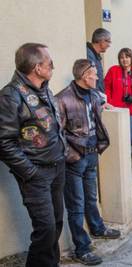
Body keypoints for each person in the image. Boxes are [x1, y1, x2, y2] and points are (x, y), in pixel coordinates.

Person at [0, 43, 66, 266]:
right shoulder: (10, 96)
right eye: (50, 63)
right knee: (45, 230)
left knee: (56, 224)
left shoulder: (43, 88)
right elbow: (4, 142)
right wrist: (31, 173)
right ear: (38, 67)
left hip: (57, 167)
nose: (53, 67)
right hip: (36, 174)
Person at [57, 59, 120, 265]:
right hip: (74, 160)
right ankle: (82, 248)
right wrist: (71, 156)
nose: (97, 77)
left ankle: (98, 228)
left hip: (92, 155)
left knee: (92, 198)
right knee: (76, 205)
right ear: (85, 76)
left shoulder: (93, 94)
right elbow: (58, 135)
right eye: (94, 74)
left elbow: (96, 115)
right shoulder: (63, 99)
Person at [104, 48, 132, 147]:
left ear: (131, 58)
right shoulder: (113, 70)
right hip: (115, 109)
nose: (124, 60)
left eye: (127, 57)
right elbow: (106, 87)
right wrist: (109, 102)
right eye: (121, 57)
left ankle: (126, 152)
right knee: (117, 137)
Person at [86, 28, 111, 94]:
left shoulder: (96, 55)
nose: (109, 45)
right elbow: (90, 80)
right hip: (94, 98)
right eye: (108, 41)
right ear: (101, 41)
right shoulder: (89, 55)